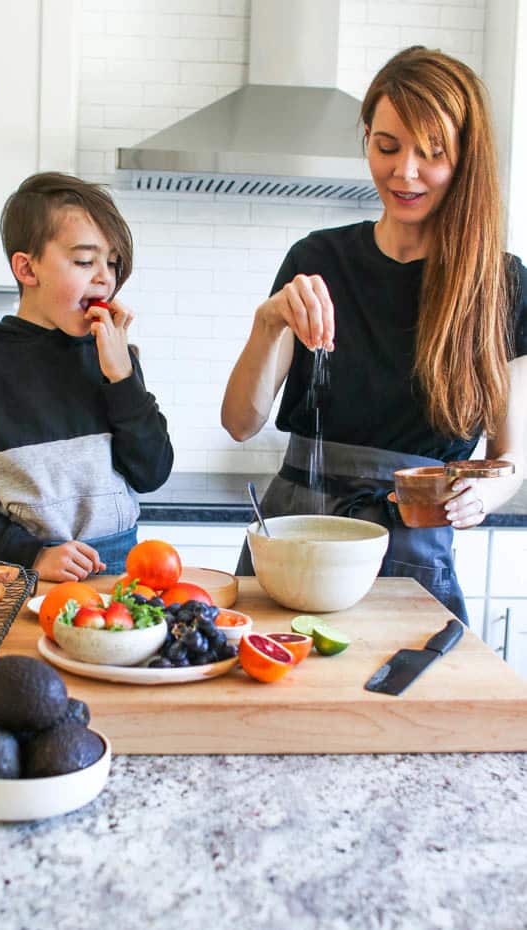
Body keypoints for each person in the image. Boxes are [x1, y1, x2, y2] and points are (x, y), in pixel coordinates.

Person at [221, 47, 527, 624]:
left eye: (431, 153)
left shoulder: (501, 286)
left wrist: (483, 496)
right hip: (295, 539)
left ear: (464, 158)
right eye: (387, 146)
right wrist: (269, 323)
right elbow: (240, 423)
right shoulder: (316, 260)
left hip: (409, 543)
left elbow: (511, 458)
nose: (403, 172)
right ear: (366, 138)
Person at [0, 172, 174, 581]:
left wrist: (122, 376)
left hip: (118, 571)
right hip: (18, 572)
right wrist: (35, 555)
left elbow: (152, 473)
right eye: (83, 261)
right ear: (27, 268)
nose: (105, 277)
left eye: (111, 262)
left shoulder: (114, 357)